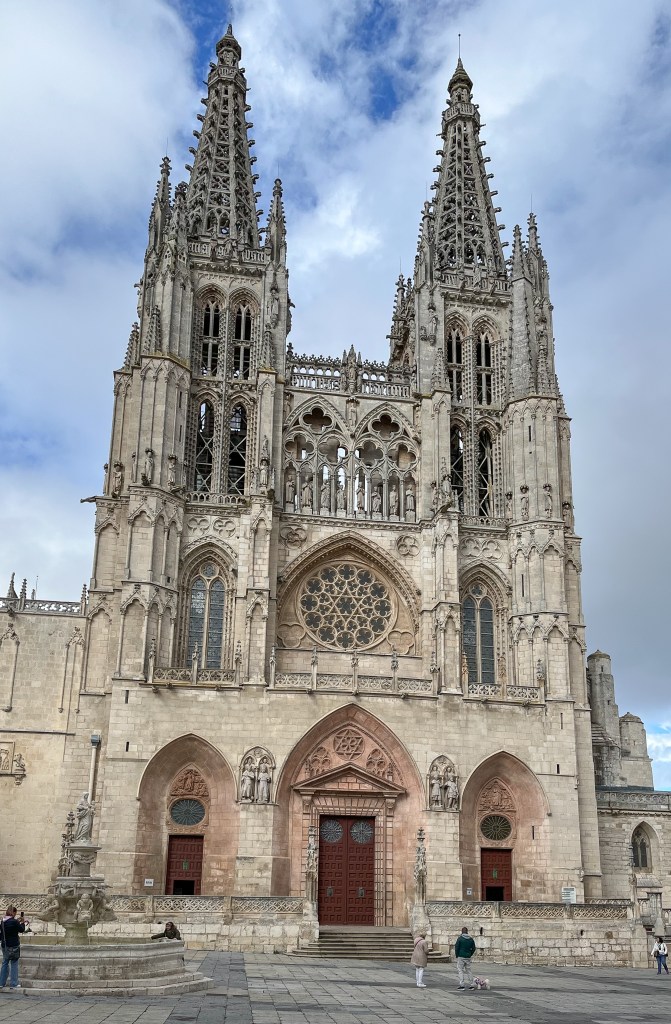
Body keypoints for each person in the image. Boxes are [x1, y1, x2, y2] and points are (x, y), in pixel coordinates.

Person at [0, 906, 26, 991]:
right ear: (13, 913)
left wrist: (17, 921)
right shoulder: (14, 922)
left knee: (5, 962)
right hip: (14, 945)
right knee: (14, 963)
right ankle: (13, 984)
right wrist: (22, 922)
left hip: (5, 945)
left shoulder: (3, 921)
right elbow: (21, 930)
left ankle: (1, 983)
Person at [454, 925, 476, 990]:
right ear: (467, 932)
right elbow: (474, 948)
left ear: (462, 932)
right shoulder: (471, 939)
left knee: (460, 970)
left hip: (461, 956)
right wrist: (470, 954)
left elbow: (457, 947)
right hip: (468, 956)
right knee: (469, 970)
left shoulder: (460, 938)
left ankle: (462, 985)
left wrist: (457, 955)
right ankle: (472, 984)